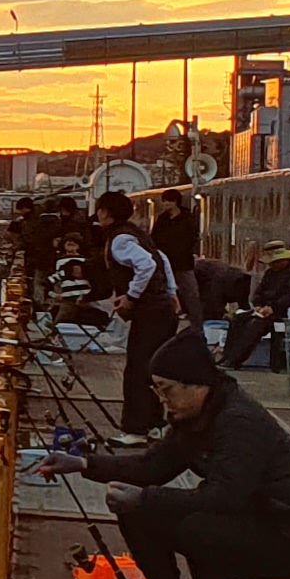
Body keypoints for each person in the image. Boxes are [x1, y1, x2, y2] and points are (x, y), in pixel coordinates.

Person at [93, 324, 290, 579]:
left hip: (283, 540)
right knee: (136, 512)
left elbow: (223, 497)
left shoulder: (239, 422)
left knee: (199, 527)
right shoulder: (195, 416)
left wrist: (147, 497)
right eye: (157, 390)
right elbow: (151, 467)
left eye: (167, 390)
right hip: (245, 523)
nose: (162, 400)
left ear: (196, 384)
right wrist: (84, 464)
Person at [95, 183, 178, 431]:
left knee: (137, 371)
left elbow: (147, 265)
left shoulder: (119, 239)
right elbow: (161, 258)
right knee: (152, 369)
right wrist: (171, 292)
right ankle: (154, 423)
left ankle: (136, 428)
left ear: (105, 212)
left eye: (99, 209)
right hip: (161, 308)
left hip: (149, 311)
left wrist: (131, 296)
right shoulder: (135, 233)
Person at [223, 240, 290, 373]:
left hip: (284, 313)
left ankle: (236, 359)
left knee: (255, 325)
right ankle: (227, 356)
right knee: (237, 319)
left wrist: (273, 308)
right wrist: (258, 305)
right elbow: (259, 292)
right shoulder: (270, 273)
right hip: (265, 310)